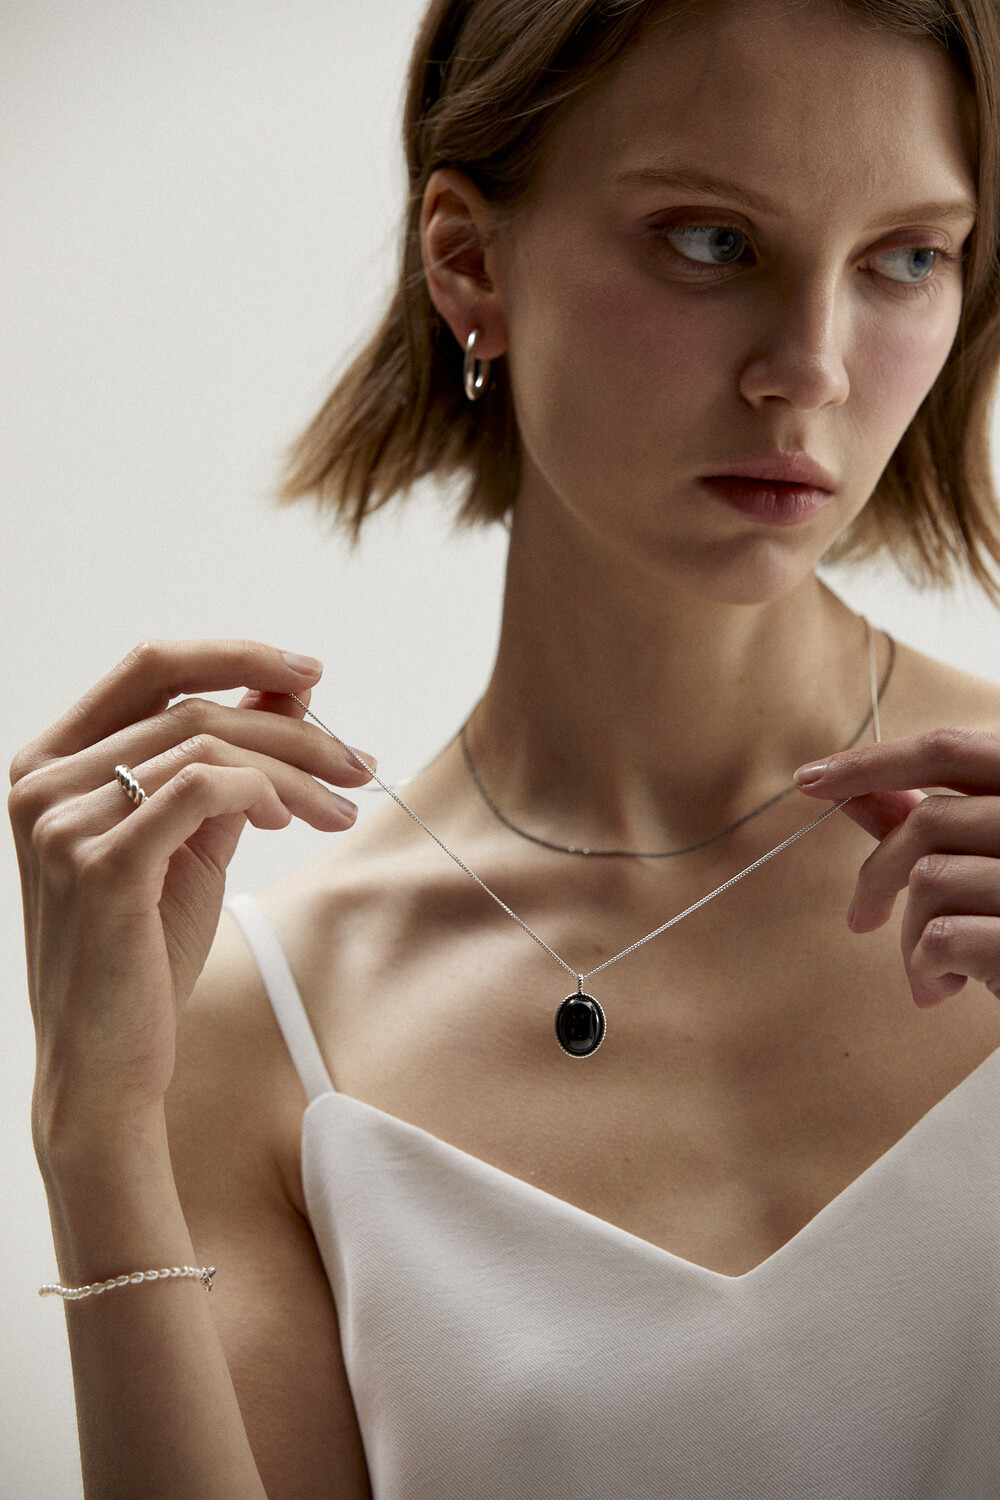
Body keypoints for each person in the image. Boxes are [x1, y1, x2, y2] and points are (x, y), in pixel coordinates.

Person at [10, 0, 1000, 1494]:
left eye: (906, 258)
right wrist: (93, 1138)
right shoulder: (268, 1034)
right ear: (470, 262)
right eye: (711, 241)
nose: (811, 369)